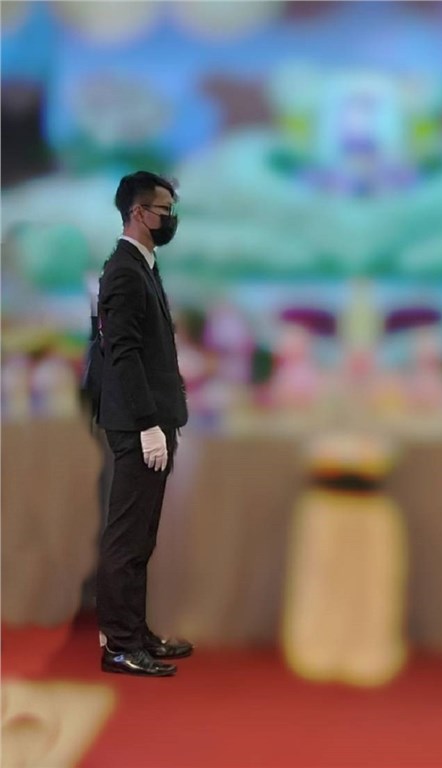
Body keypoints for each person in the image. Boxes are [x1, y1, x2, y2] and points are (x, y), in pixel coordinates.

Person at [94, 171, 192, 677]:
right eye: (164, 210)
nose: (170, 218)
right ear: (138, 212)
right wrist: (148, 424)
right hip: (138, 425)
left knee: (141, 538)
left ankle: (135, 632)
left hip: (152, 419)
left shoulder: (143, 266)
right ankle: (119, 644)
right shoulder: (124, 271)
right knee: (127, 537)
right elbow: (125, 354)